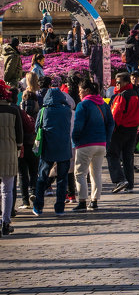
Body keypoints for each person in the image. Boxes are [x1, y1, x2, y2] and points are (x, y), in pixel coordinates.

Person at [71, 78, 114, 212]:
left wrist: (75, 140)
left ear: (87, 90)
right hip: (101, 143)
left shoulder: (83, 105)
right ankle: (94, 200)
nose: (79, 94)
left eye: (80, 91)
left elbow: (78, 126)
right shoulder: (103, 104)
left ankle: (82, 201)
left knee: (80, 173)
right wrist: (106, 139)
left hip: (85, 143)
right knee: (96, 173)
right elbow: (111, 123)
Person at [32, 86, 72, 216]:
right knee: (62, 179)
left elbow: (37, 127)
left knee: (42, 177)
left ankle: (38, 206)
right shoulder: (67, 110)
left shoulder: (44, 111)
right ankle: (59, 208)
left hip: (48, 148)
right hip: (64, 149)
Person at [107, 72, 139, 193]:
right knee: (128, 157)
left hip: (120, 130)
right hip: (132, 129)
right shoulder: (135, 94)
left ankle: (119, 180)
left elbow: (115, 115)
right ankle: (129, 184)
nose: (116, 85)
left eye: (118, 82)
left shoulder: (122, 96)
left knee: (112, 154)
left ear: (126, 82)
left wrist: (111, 129)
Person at [0, 80, 23, 234]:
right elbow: (19, 135)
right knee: (7, 190)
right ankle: (6, 223)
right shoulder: (13, 110)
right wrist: (18, 147)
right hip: (9, 153)